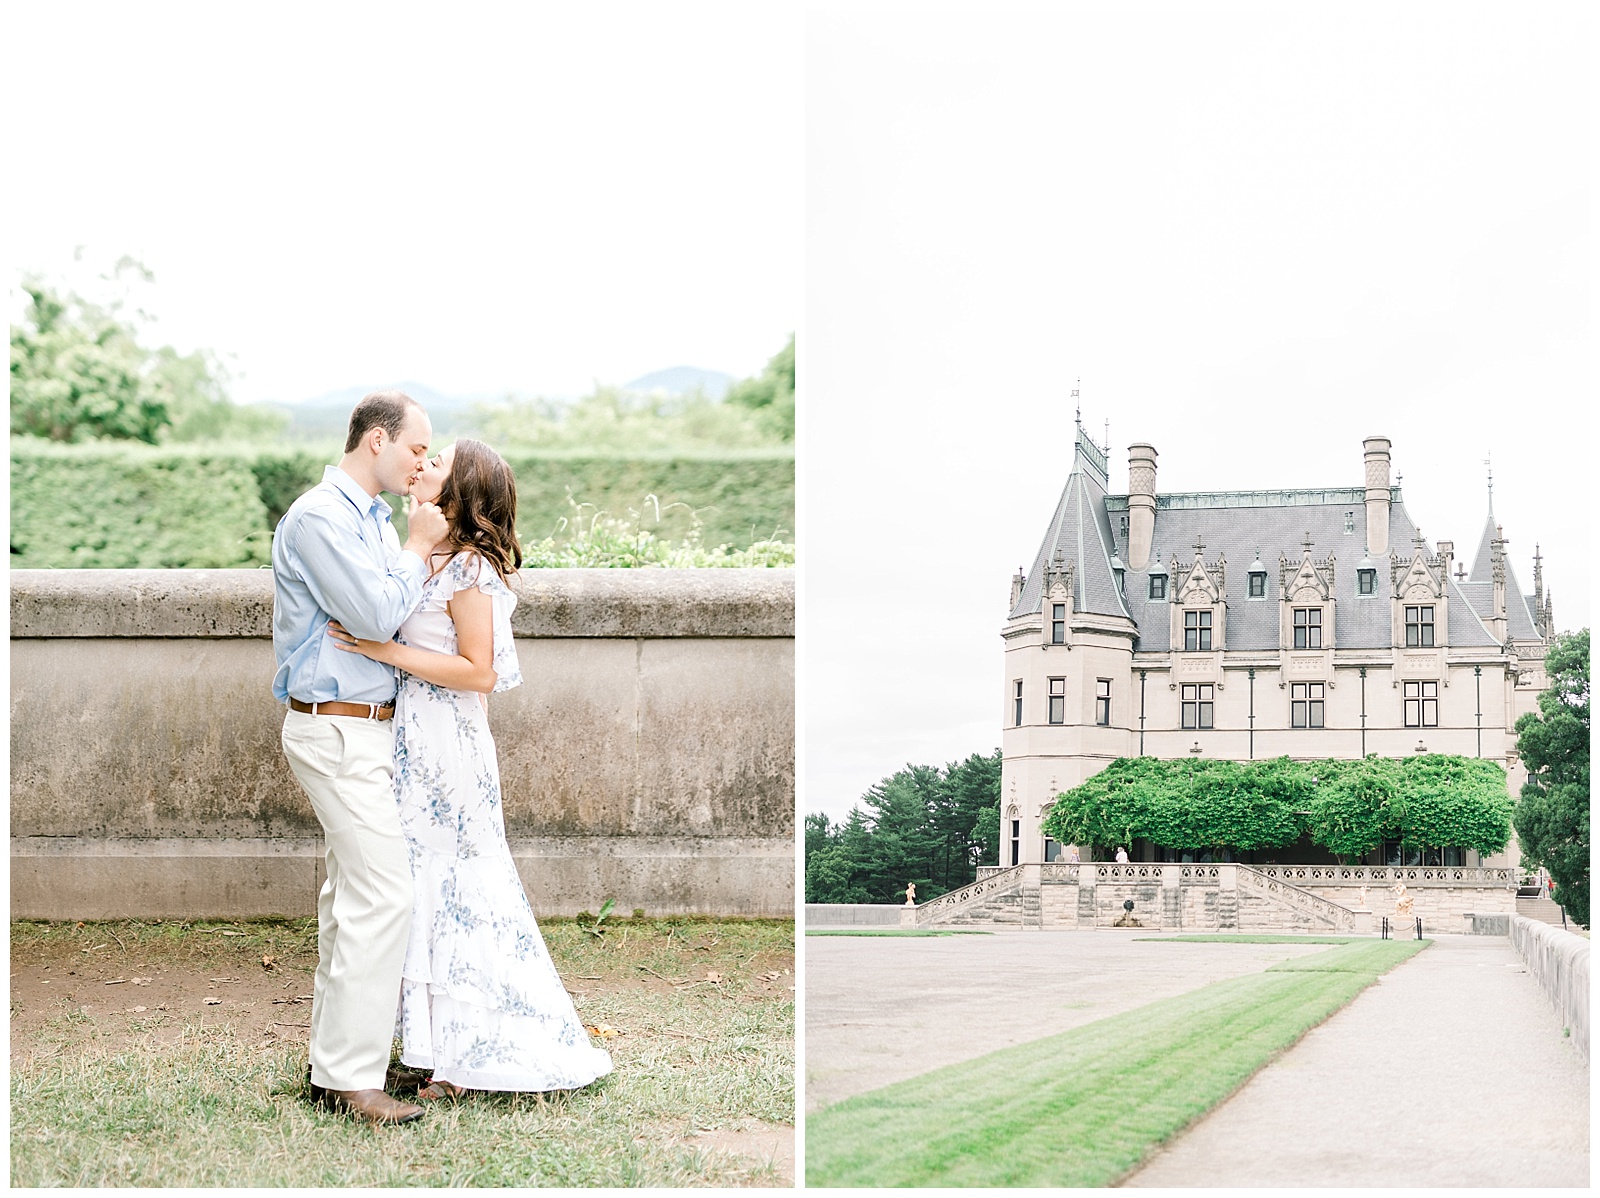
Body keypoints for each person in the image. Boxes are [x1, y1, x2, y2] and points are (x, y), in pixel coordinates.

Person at [330, 438, 614, 1098]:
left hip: (450, 743)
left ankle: (473, 1058)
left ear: (461, 493)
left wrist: (383, 651)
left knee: (458, 886)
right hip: (411, 739)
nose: (421, 467)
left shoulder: (471, 572)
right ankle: (436, 1051)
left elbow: (478, 672)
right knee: (420, 887)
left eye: (436, 463)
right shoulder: (424, 555)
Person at [272, 390, 447, 1125]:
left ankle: (333, 1067)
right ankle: (352, 1079)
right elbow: (376, 614)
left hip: (368, 728)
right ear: (376, 440)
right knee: (385, 895)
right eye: (416, 448)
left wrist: (411, 549)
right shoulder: (320, 516)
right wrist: (415, 549)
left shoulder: (371, 518)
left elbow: (394, 613)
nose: (421, 464)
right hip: (335, 728)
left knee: (352, 899)